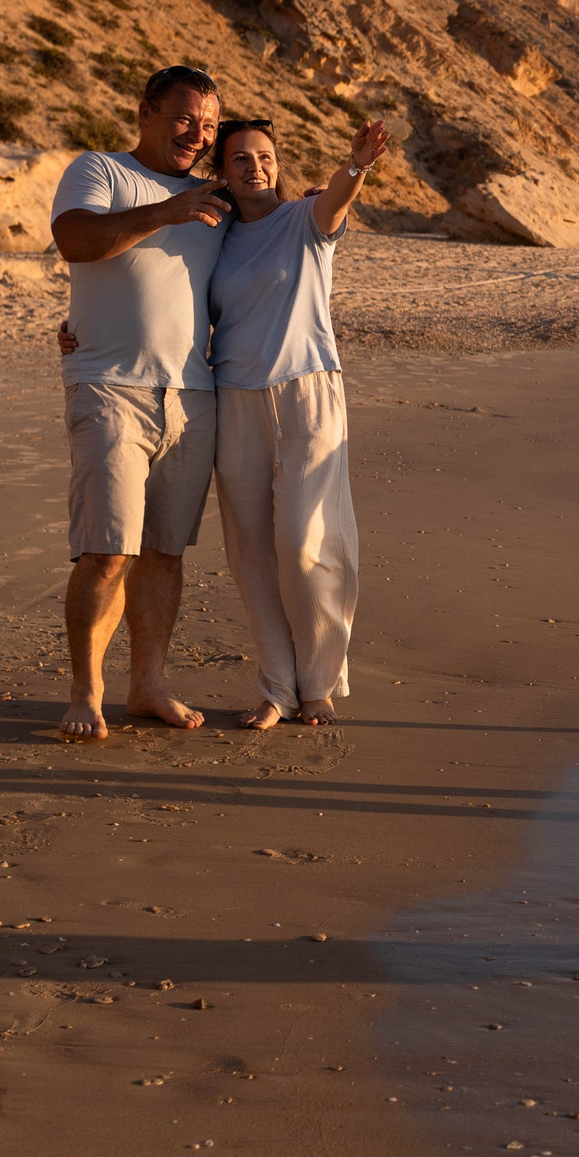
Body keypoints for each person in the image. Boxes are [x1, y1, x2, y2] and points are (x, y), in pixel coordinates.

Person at [47, 65, 230, 742]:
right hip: (108, 386)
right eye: (184, 118)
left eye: (208, 125)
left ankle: (148, 683)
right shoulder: (100, 170)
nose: (197, 134)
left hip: (193, 394)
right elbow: (75, 239)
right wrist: (165, 211)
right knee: (107, 550)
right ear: (146, 112)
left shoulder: (218, 198)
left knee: (163, 553)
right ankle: (86, 692)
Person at [205, 112, 388, 728]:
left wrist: (356, 165)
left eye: (264, 157)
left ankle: (319, 683)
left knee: (305, 543)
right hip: (234, 398)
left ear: (277, 165)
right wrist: (84, 326)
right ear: (221, 172)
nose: (255, 167)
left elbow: (336, 200)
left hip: (307, 392)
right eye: (240, 158)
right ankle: (278, 689)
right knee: (251, 554)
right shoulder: (212, 238)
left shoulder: (304, 219)